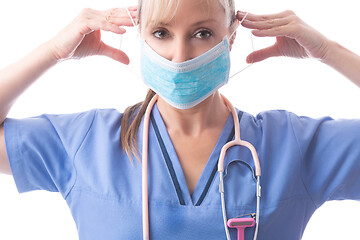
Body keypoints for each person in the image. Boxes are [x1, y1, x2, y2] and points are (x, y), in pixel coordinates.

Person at [0, 0, 359, 239]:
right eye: (161, 33)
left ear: (230, 38)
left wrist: (328, 51)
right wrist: (53, 52)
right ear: (140, 37)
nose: (179, 55)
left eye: (202, 34)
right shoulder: (86, 143)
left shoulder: (290, 148)